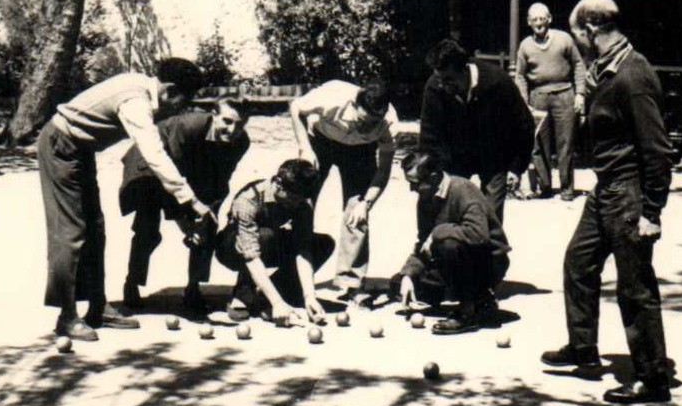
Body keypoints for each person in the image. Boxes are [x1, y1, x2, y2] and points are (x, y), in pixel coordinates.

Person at [541, 0, 676, 404]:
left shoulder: (633, 77)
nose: (577, 40)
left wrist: (651, 211)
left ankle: (653, 379)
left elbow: (658, 150)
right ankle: (583, 348)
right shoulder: (609, 69)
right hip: (607, 188)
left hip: (629, 191)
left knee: (635, 285)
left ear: (591, 29)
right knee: (579, 261)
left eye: (578, 32)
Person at [38, 59, 212, 342]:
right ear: (169, 90)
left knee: (95, 228)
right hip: (61, 146)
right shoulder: (136, 102)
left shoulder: (143, 88)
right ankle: (67, 317)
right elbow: (154, 154)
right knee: (70, 234)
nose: (180, 108)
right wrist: (190, 200)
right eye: (183, 100)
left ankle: (98, 307)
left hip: (81, 150)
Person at [119, 99, 251, 318]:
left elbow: (221, 180)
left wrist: (205, 217)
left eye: (240, 125)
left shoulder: (241, 142)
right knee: (148, 232)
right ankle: (132, 284)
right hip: (153, 168)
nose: (232, 130)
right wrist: (187, 225)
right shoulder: (187, 127)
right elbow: (172, 178)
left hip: (192, 170)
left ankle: (193, 288)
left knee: (208, 227)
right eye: (227, 122)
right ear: (214, 115)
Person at [287, 77, 397, 293]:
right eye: (362, 121)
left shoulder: (390, 124)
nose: (367, 127)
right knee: (301, 201)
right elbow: (295, 107)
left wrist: (367, 202)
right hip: (321, 141)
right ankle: (294, 276)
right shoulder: (332, 97)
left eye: (374, 124)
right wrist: (304, 147)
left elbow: (383, 171)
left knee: (357, 211)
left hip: (360, 153)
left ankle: (350, 282)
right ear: (354, 105)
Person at [418, 38, 537, 222]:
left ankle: (492, 250)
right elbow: (428, 136)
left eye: (449, 79)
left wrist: (516, 168)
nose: (443, 85)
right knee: (442, 211)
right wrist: (435, 173)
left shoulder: (498, 82)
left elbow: (524, 125)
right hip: (455, 158)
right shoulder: (435, 87)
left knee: (490, 221)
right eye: (439, 79)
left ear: (464, 69)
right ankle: (427, 246)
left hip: (493, 156)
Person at [397, 152, 510, 335]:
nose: (411, 188)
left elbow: (478, 235)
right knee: (402, 285)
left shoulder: (463, 189)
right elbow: (423, 242)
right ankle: (482, 301)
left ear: (434, 177)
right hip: (453, 261)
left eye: (415, 182)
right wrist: (408, 274)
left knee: (447, 244)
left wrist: (437, 232)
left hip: (487, 262)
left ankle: (468, 312)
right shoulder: (426, 195)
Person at [214, 158, 333, 327]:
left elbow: (303, 250)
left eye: (300, 200)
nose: (296, 204)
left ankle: (270, 294)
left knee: (323, 244)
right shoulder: (249, 199)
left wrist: (310, 296)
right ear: (278, 183)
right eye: (292, 199)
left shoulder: (300, 202)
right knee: (265, 236)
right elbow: (251, 256)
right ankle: (244, 292)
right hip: (232, 248)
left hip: (266, 243)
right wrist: (278, 304)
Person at [514, 1, 587, 201]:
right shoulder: (525, 46)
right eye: (534, 19)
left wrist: (580, 93)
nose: (539, 23)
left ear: (549, 19)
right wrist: (523, 101)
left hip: (564, 94)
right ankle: (544, 188)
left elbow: (579, 65)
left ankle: (567, 190)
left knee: (566, 144)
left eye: (542, 18)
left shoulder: (564, 39)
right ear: (529, 22)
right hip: (538, 97)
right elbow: (520, 75)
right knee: (538, 145)